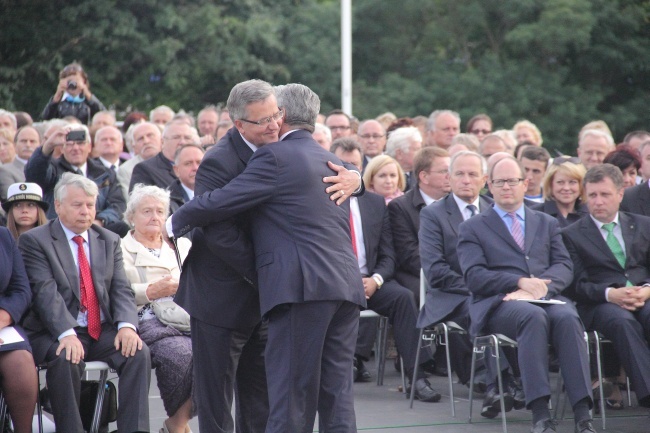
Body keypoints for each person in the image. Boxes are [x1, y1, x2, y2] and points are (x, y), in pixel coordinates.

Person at [169, 83, 365, 433]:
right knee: (217, 400)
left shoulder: (285, 151)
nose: (273, 125)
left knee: (271, 396)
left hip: (285, 289)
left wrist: (358, 179)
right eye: (263, 121)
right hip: (223, 294)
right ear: (238, 124)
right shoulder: (219, 159)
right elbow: (218, 231)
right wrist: (264, 272)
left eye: (276, 116)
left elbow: (336, 171)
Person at [457, 156, 595, 433]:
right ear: (489, 186)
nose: (507, 186)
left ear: (525, 183)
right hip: (500, 303)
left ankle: (583, 414)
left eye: (513, 180)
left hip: (546, 297)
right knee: (531, 317)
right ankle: (541, 414)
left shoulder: (545, 222)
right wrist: (518, 282)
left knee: (568, 317)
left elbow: (564, 265)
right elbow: (474, 276)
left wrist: (542, 286)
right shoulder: (472, 227)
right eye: (500, 181)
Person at [19, 173, 150, 433]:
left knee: (137, 352)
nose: (85, 211)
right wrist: (65, 333)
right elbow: (45, 293)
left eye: (90, 205)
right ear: (58, 206)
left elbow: (121, 288)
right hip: (53, 330)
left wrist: (126, 326)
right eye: (77, 205)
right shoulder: (36, 240)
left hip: (98, 329)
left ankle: (134, 430)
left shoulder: (108, 239)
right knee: (67, 358)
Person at [418, 151, 524, 417]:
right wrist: (480, 287)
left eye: (473, 174)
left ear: (485, 180)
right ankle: (500, 385)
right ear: (450, 178)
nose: (466, 180)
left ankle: (511, 384)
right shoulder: (433, 215)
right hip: (451, 296)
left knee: (523, 312)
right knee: (482, 307)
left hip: (497, 292)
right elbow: (436, 271)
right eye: (459, 174)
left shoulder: (497, 211)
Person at [334, 141, 440, 401]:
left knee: (403, 298)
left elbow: (388, 254)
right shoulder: (320, 201)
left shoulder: (374, 203)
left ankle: (416, 378)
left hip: (370, 281)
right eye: (342, 164)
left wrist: (377, 279)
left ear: (361, 168)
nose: (349, 170)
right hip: (334, 283)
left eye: (354, 165)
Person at [121, 185, 194, 433]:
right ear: (132, 216)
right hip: (149, 321)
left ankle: (176, 424)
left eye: (160, 211)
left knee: (221, 355)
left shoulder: (182, 245)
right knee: (185, 356)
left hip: (188, 317)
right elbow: (114, 293)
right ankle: (178, 426)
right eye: (147, 211)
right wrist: (151, 290)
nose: (154, 217)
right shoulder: (119, 248)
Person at [24, 124, 128, 236]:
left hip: (98, 232)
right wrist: (48, 145)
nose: (75, 148)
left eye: (80, 143)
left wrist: (98, 221)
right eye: (69, 144)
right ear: (62, 149)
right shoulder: (52, 169)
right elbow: (33, 176)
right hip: (60, 232)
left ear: (89, 147)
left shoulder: (104, 172)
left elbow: (118, 205)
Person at [387, 146, 450, 298]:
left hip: (454, 273)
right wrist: (444, 273)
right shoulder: (400, 207)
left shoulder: (456, 203)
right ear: (424, 177)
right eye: (444, 171)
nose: (451, 176)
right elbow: (408, 254)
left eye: (452, 170)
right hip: (419, 274)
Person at [0, 226, 39, 433]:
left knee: (20, 362)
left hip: (2, 322)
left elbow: (21, 288)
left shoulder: (3, 236)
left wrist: (5, 315)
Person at [129, 120, 195, 192]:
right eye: (176, 137)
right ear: (163, 141)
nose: (182, 142)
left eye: (187, 138)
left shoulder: (200, 165)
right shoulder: (145, 170)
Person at [531, 156, 588, 228]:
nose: (566, 188)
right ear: (550, 184)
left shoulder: (591, 215)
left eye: (572, 182)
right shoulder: (534, 215)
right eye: (560, 182)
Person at [41, 63, 106, 125]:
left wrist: (88, 95)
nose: (72, 84)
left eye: (75, 80)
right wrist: (55, 100)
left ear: (84, 81)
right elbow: (45, 119)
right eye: (69, 81)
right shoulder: (58, 102)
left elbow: (104, 115)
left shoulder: (88, 102)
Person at [118, 122, 163, 200]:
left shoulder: (173, 160)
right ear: (134, 147)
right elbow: (131, 202)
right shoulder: (126, 170)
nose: (146, 141)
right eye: (140, 139)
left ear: (162, 140)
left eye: (150, 135)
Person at [0, 126, 40, 200]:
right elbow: (9, 199)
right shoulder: (5, 170)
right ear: (15, 145)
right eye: (23, 141)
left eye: (32, 141)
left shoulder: (48, 168)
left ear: (40, 145)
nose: (28, 145)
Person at [169, 144, 204, 214]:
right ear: (176, 170)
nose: (195, 168)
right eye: (188, 163)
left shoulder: (219, 194)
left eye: (199, 163)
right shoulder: (168, 202)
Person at [385, 126, 423, 191]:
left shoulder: (422, 174)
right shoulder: (383, 175)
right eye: (416, 149)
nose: (421, 153)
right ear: (399, 153)